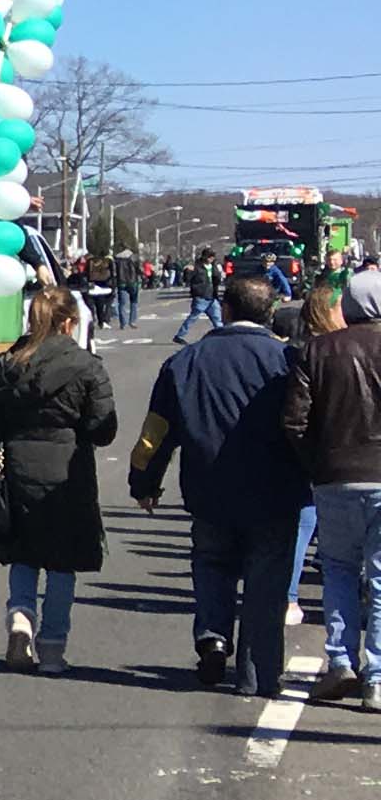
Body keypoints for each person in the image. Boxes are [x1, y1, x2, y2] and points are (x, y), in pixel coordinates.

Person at [134, 274, 310, 696]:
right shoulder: (288, 361)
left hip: (208, 487)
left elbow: (155, 433)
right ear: (270, 314)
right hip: (275, 490)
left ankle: (212, 637)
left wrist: (144, 479)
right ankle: (258, 673)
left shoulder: (185, 362)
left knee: (212, 565)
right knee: (266, 583)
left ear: (225, 309)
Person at [0, 283, 117, 675]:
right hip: (68, 470)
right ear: (70, 323)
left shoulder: (6, 365)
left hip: (19, 466)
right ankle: (52, 648)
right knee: (61, 562)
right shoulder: (87, 366)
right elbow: (104, 430)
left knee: (23, 553)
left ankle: (20, 617)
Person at [286, 267, 381, 704]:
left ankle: (341, 661)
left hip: (335, 475)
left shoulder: (318, 350)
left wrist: (317, 463)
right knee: (380, 578)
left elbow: (295, 420)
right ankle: (377, 676)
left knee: (340, 569)